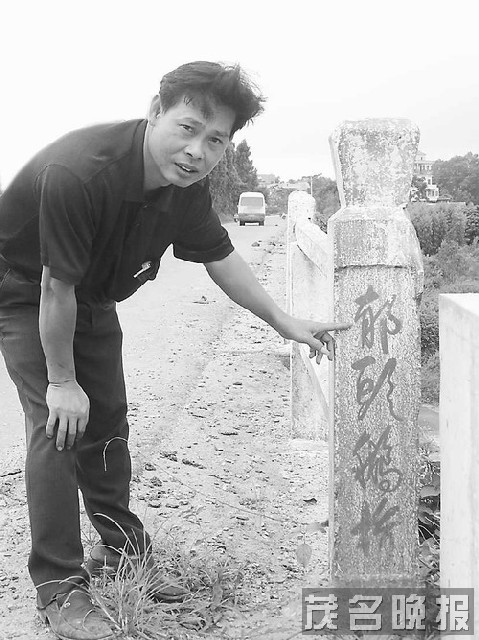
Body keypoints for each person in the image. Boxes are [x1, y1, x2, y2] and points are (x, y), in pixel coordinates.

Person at [0, 61, 349, 640]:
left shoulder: (184, 191)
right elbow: (54, 287)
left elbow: (221, 258)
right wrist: (62, 380)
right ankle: (59, 585)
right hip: (25, 289)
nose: (197, 151)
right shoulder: (79, 171)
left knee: (107, 419)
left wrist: (283, 320)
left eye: (216, 140)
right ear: (155, 111)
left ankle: (121, 550)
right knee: (59, 423)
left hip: (91, 296)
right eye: (187, 128)